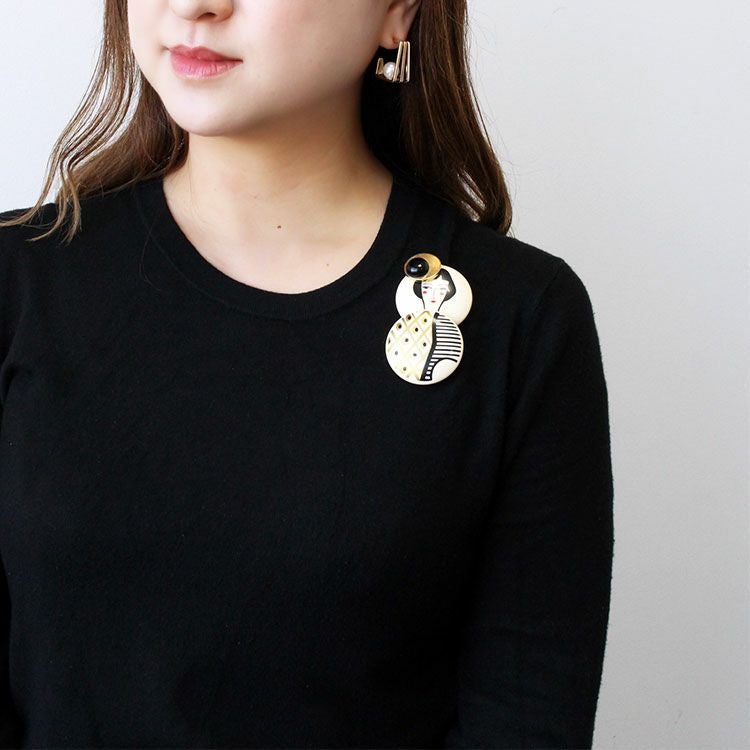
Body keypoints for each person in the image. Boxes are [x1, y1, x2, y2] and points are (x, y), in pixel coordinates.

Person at [0, 0, 614, 747]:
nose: (194, 6)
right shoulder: (19, 283)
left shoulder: (522, 319)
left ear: (398, 11)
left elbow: (526, 716)